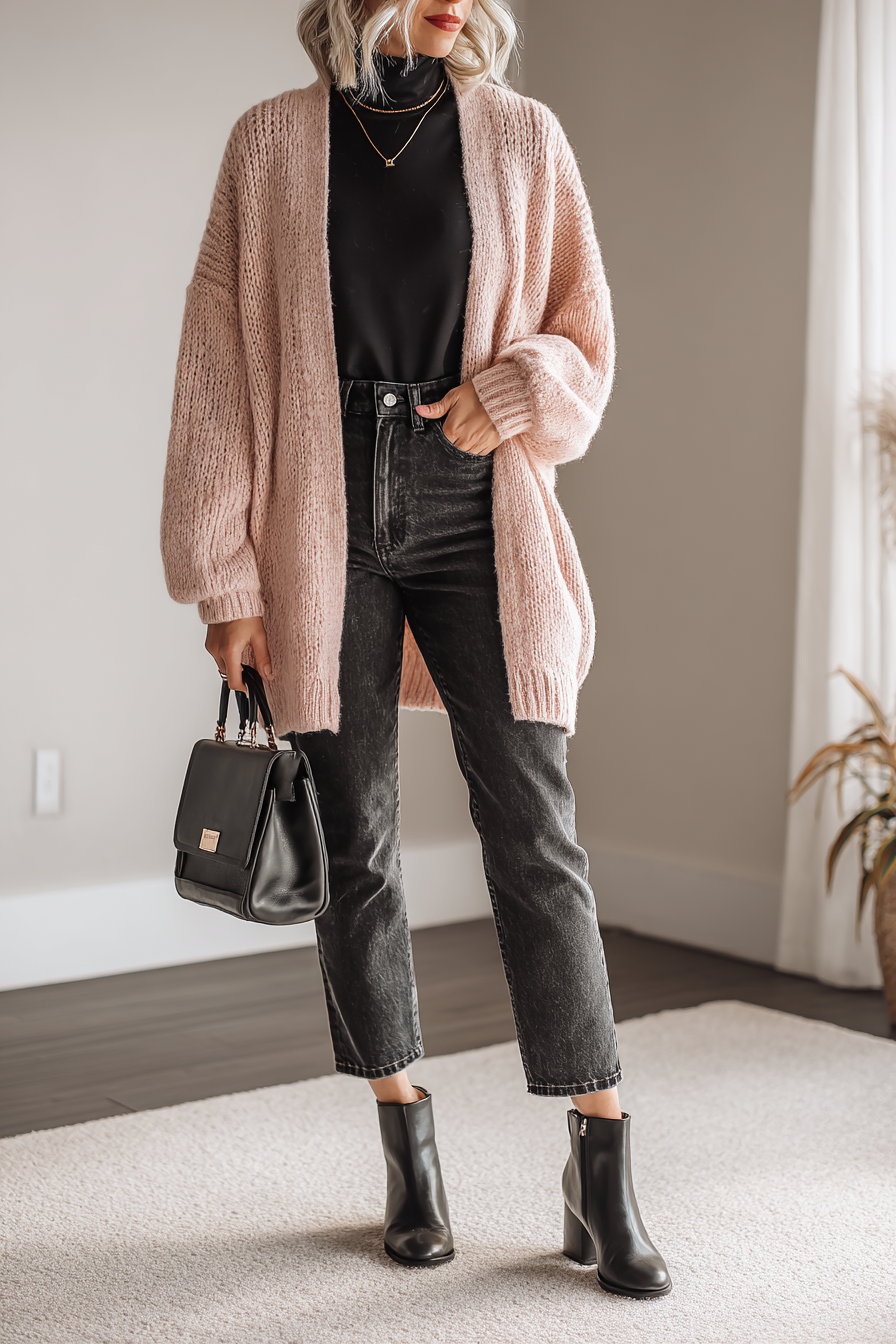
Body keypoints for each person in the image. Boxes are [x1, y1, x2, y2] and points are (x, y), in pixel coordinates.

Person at [160, 0, 671, 1300]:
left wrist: (512, 393)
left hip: (475, 495)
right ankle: (407, 1151)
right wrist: (224, 576)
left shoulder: (525, 136)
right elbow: (217, 363)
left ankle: (602, 1159)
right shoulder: (271, 143)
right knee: (357, 842)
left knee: (537, 833)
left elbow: (586, 335)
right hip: (316, 507)